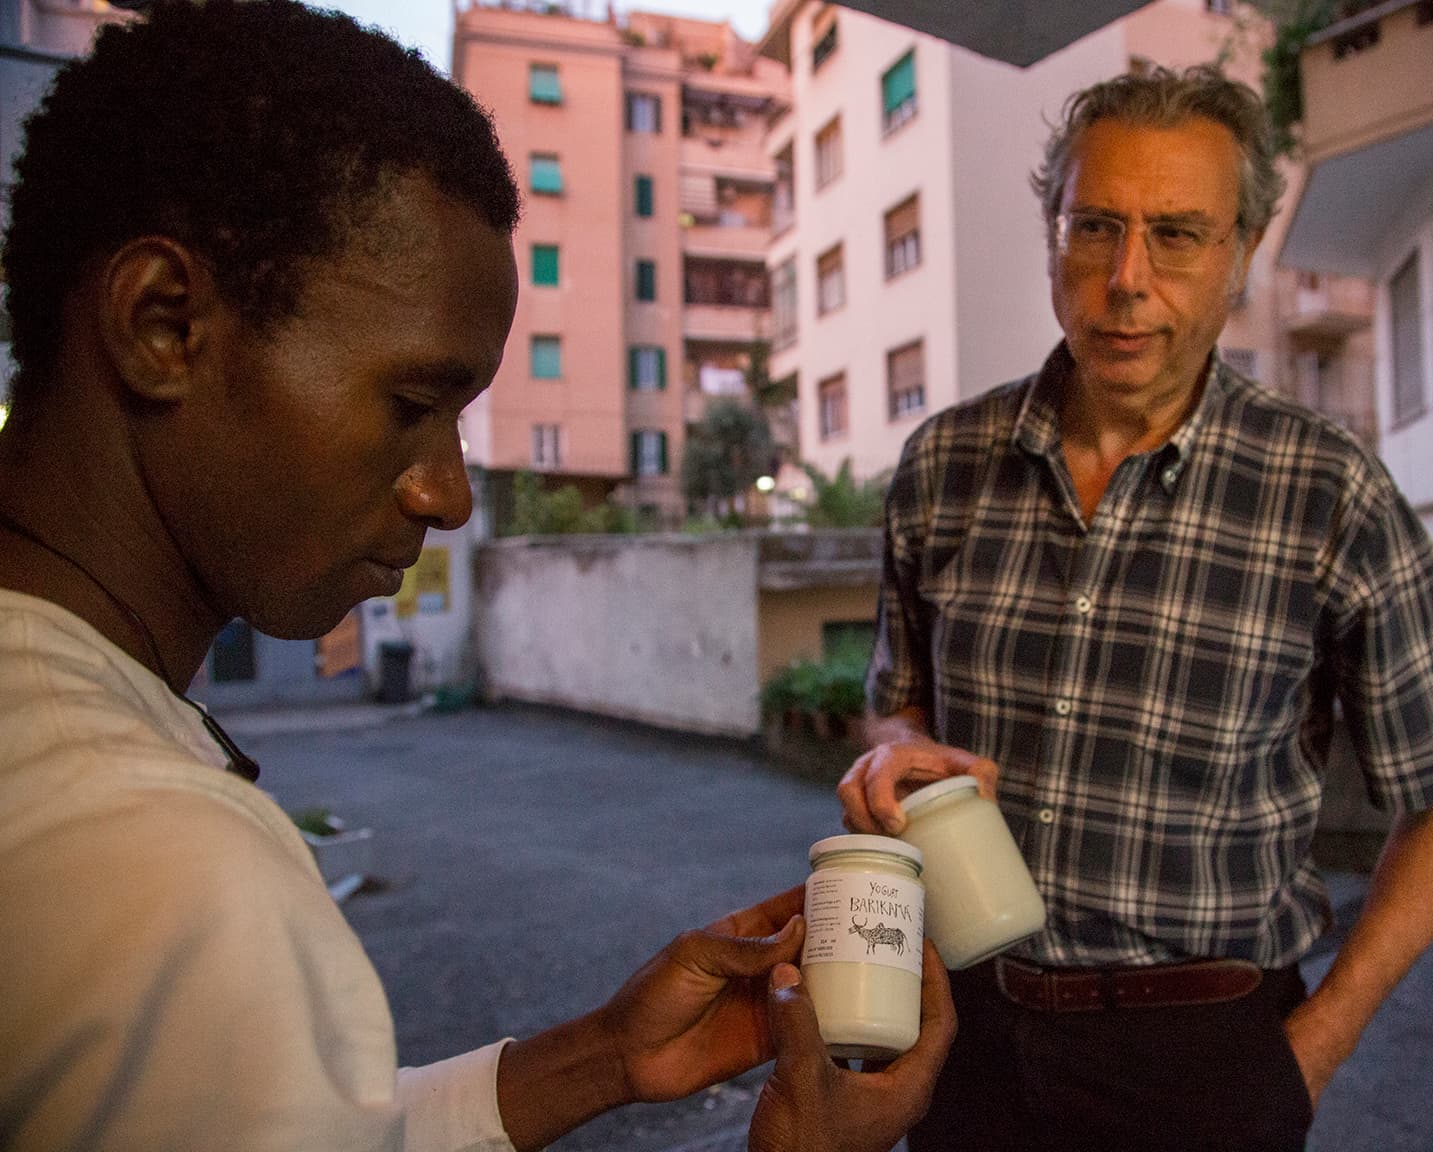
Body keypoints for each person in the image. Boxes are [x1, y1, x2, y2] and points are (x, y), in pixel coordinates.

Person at [0, 3, 953, 1149]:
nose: (448, 494)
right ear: (163, 324)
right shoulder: (152, 856)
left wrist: (601, 1053)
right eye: (413, 405)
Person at [838, 65, 1433, 1151]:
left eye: (1178, 234)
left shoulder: (1329, 489)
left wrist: (1315, 1045)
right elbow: (895, 704)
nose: (1127, 278)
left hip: (1207, 1056)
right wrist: (897, 751)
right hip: (964, 1031)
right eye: (1095, 225)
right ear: (1052, 233)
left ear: (1241, 254)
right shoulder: (942, 463)